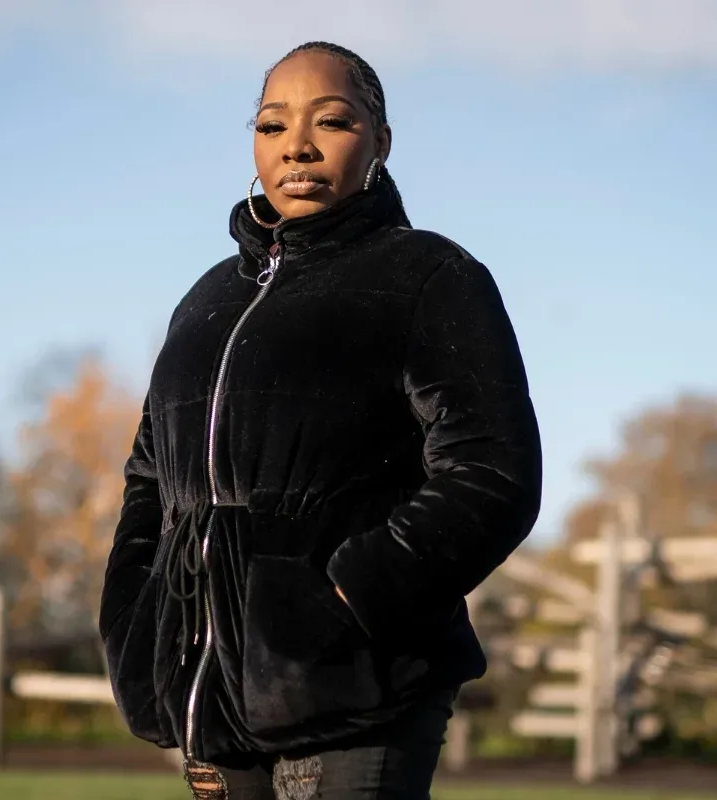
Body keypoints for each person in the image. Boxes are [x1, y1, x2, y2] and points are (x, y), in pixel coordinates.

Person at [99, 41, 542, 800]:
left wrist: (342, 596)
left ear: (380, 141)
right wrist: (132, 618)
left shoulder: (431, 276)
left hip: (356, 694)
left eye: (330, 121)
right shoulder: (204, 302)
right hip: (209, 699)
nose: (296, 145)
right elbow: (150, 482)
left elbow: (492, 475)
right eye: (271, 125)